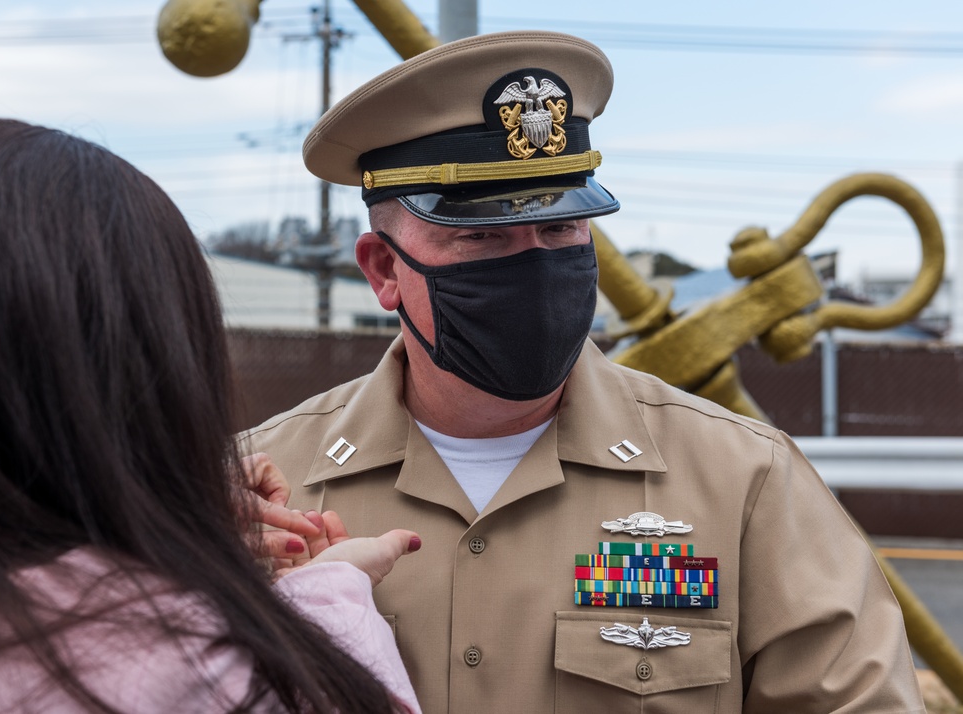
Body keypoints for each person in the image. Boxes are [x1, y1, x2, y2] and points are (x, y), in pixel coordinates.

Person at [246, 31, 925, 713]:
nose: (533, 264)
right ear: (385, 269)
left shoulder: (745, 483)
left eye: (560, 228)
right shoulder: (258, 490)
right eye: (482, 234)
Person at [0, 118, 421, 714]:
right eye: (478, 237)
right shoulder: (193, 667)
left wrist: (152, 513)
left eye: (558, 228)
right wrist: (326, 604)